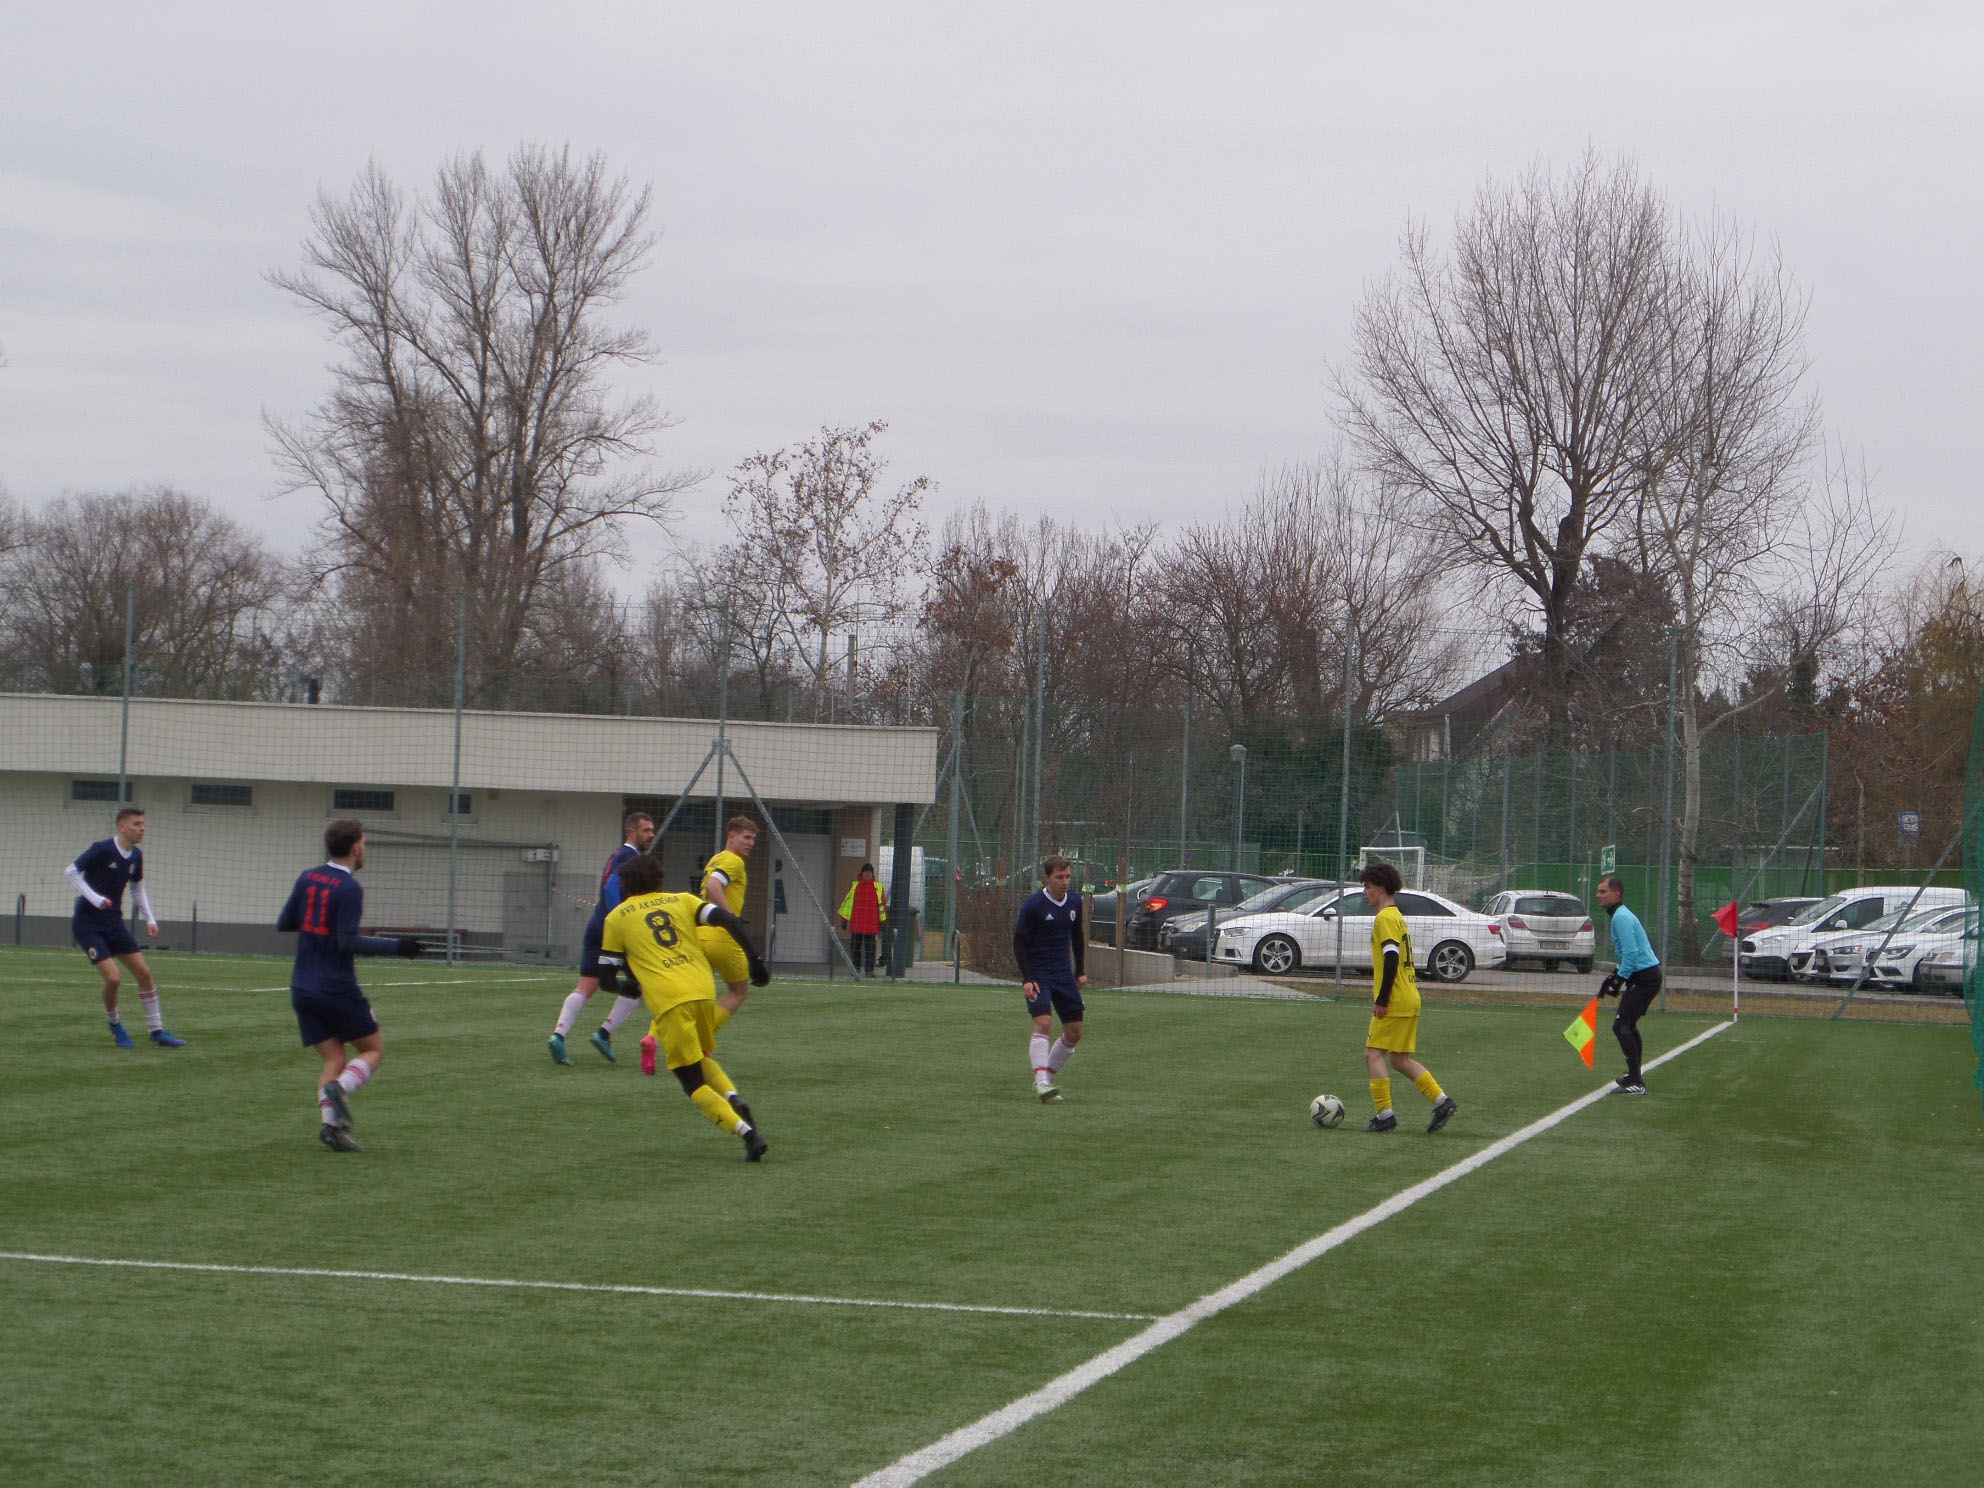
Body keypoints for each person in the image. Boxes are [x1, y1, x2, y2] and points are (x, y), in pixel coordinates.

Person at [600, 851, 772, 1161]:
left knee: (691, 1082)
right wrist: (756, 961)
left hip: (670, 1000)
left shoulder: (616, 918)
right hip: (703, 989)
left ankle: (747, 1133)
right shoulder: (682, 900)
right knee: (700, 1056)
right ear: (660, 879)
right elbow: (728, 919)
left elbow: (605, 979)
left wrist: (630, 987)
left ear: (625, 885)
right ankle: (732, 1096)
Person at [275, 820, 424, 1152]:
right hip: (335, 987)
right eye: (364, 844)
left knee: (334, 1058)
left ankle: (331, 1129)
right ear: (356, 847)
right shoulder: (349, 888)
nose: (365, 849)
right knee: (373, 1050)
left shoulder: (307, 877)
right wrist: (398, 947)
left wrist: (317, 923)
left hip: (302, 986)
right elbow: (346, 942)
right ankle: (340, 1089)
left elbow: (285, 922)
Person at [67, 806, 184, 1048]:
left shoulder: (136, 856)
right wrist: (96, 899)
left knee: (144, 974)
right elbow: (71, 872)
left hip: (113, 923)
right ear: (122, 826)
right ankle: (116, 1025)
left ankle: (157, 1031)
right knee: (114, 979)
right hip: (88, 925)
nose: (142, 829)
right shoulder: (102, 850)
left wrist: (150, 919)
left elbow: (137, 888)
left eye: (143, 824)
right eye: (136, 824)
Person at [1357, 861, 1458, 1134]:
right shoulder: (1396, 916)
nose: (1364, 892)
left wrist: (1382, 999)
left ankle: (1384, 1116)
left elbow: (1391, 956)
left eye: (1367, 887)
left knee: (1373, 1054)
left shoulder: (1385, 918)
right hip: (1410, 996)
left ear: (1380, 888)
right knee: (1399, 1059)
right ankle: (1442, 1101)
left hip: (1396, 999)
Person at [547, 811, 654, 1065]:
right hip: (615, 930)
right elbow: (611, 887)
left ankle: (558, 1036)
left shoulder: (617, 854)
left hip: (597, 924)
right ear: (632, 831)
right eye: (646, 830)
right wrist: (621, 917)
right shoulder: (629, 857)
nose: (651, 835)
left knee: (586, 986)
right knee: (639, 985)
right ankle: (604, 1034)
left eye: (652, 830)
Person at [1013, 854, 1087, 1103]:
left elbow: (1077, 937)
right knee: (1043, 1023)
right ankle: (1042, 1083)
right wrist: (1028, 977)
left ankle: (1046, 1080)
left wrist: (1080, 971)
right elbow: (1019, 942)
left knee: (1074, 1033)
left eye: (1068, 877)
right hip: (1040, 975)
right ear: (1047, 878)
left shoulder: (1074, 902)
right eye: (1059, 877)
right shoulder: (1034, 906)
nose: (1065, 882)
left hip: (1063, 975)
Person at [1595, 875, 1661, 1094]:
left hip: (1646, 979)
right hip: (1644, 977)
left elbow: (1632, 954)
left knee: (1621, 1026)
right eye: (1598, 891)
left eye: (1603, 891)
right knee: (1628, 1025)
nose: (1598, 895)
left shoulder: (1620, 918)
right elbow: (1627, 956)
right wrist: (1613, 977)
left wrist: (1618, 981)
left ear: (1616, 894)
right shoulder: (1619, 915)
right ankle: (1634, 1076)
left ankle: (1636, 1082)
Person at [838, 861, 888, 977]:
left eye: (869, 872)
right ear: (861, 873)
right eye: (865, 872)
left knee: (870, 949)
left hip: (871, 924)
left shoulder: (878, 887)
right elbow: (848, 904)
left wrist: (883, 921)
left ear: (872, 874)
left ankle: (869, 970)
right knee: (855, 947)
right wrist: (844, 920)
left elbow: (882, 906)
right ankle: (855, 968)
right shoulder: (854, 886)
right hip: (857, 923)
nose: (867, 874)